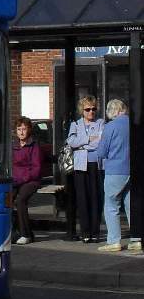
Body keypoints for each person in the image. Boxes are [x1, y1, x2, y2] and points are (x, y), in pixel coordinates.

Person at [95, 98, 137, 252]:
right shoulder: (133, 125)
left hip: (115, 171)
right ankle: (137, 239)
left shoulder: (110, 127)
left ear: (112, 112)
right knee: (131, 205)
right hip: (133, 170)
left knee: (112, 206)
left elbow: (102, 152)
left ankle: (114, 241)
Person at [67, 95, 105, 243]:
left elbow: (100, 143)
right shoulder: (75, 124)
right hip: (80, 165)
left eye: (93, 109)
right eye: (88, 109)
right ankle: (85, 232)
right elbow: (71, 142)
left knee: (96, 198)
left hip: (96, 164)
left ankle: (95, 232)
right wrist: (88, 140)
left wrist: (82, 145)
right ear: (82, 111)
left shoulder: (101, 123)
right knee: (82, 199)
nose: (91, 112)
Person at [12, 116, 44, 245]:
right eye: (19, 129)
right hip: (15, 179)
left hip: (31, 180)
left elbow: (37, 169)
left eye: (24, 129)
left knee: (21, 200)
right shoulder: (13, 145)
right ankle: (13, 231)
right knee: (6, 199)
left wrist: (24, 178)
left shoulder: (34, 145)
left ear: (29, 130)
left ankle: (26, 234)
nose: (21, 132)